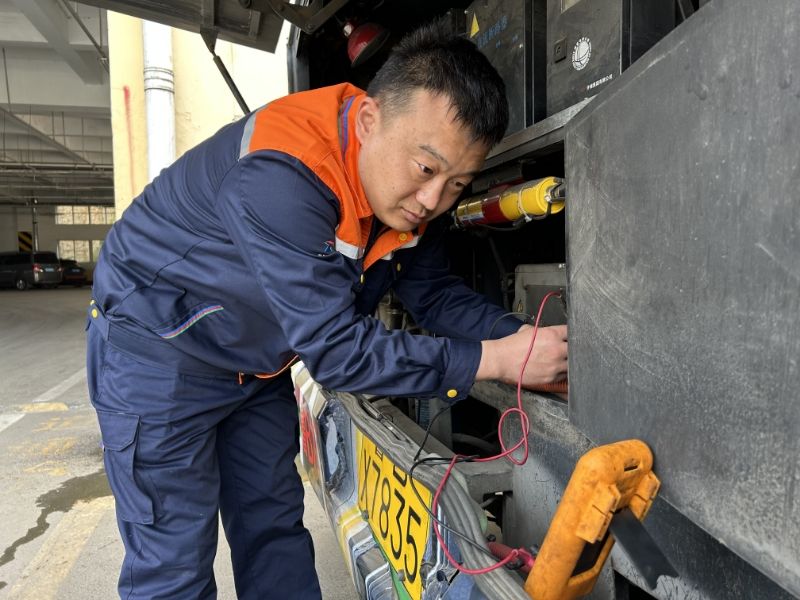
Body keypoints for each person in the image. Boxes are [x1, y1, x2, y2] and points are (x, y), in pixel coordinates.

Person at [87, 19, 568, 600]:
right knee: (174, 563)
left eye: (457, 184)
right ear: (368, 120)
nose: (432, 200)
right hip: (158, 355)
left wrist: (528, 342)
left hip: (256, 365)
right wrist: (493, 360)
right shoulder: (283, 173)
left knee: (273, 531)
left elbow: (434, 293)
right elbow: (339, 353)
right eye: (426, 169)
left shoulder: (410, 202)